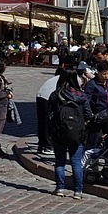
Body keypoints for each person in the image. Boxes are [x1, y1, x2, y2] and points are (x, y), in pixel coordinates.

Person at [49, 65, 90, 199]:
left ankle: (60, 188)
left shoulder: (55, 95)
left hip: (59, 131)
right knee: (76, 161)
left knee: (60, 161)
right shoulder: (81, 96)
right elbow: (88, 113)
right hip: (77, 132)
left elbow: (50, 113)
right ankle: (78, 191)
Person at [35, 71, 59, 155]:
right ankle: (47, 146)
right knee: (47, 122)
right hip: (47, 97)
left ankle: (41, 145)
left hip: (41, 95)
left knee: (42, 122)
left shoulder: (58, 78)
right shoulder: (75, 80)